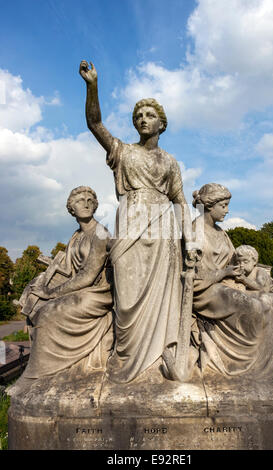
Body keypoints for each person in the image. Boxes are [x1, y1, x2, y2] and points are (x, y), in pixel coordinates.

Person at [79, 60, 196, 383]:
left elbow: (181, 202)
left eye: (150, 116)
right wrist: (92, 86)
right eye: (138, 116)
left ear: (162, 123)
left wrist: (191, 239)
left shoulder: (170, 162)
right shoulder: (123, 151)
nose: (143, 120)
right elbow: (95, 124)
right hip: (131, 224)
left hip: (163, 231)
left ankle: (162, 358)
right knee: (127, 301)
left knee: (164, 299)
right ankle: (127, 359)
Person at [191, 183, 273, 394]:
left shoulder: (221, 233)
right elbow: (192, 278)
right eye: (223, 205)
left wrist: (254, 280)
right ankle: (261, 372)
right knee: (255, 306)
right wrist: (224, 274)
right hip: (206, 292)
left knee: (269, 300)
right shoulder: (195, 231)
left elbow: (236, 266)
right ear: (210, 205)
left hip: (225, 286)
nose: (227, 210)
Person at [16, 186, 114, 382]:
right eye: (80, 201)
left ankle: (40, 375)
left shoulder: (100, 233)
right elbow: (67, 272)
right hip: (81, 290)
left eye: (90, 200)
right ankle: (47, 371)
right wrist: (40, 284)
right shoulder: (76, 237)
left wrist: (51, 293)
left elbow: (88, 276)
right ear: (71, 208)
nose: (86, 204)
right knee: (37, 306)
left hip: (98, 292)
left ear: (95, 206)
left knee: (48, 312)